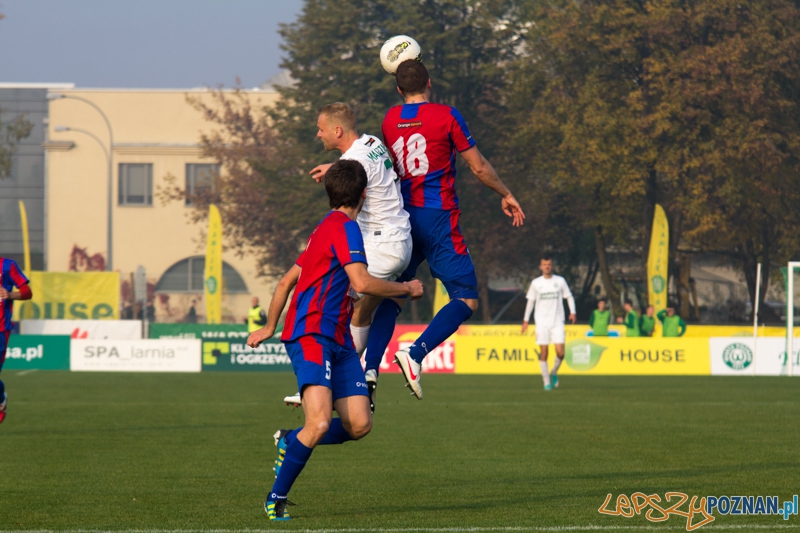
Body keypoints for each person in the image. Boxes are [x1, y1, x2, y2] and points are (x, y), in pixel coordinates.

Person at [246, 160, 423, 520]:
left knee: (359, 424)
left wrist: (268, 326)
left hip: (339, 341)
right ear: (364, 194)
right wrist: (406, 288)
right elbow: (362, 282)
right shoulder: (345, 229)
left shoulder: (323, 229)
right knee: (321, 423)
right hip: (311, 334)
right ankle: (275, 497)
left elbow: (286, 282)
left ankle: (289, 440)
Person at [371, 59, 525, 400]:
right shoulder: (447, 115)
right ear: (430, 81)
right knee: (466, 298)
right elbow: (480, 167)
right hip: (438, 218)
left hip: (402, 220)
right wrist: (506, 193)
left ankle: (368, 368)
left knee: (394, 295)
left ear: (398, 89)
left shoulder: (389, 119)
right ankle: (414, 354)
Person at [293, 102, 412, 410]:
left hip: (381, 245)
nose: (318, 134)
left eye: (321, 128)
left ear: (337, 130)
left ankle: (324, 383)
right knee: (362, 311)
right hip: (399, 237)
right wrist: (333, 168)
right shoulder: (371, 142)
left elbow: (356, 173)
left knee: (338, 306)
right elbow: (365, 167)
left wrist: (335, 170)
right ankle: (364, 374)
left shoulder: (353, 159)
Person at [521, 257, 576, 390]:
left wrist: (573, 312)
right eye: (544, 264)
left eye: (549, 264)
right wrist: (526, 320)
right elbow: (531, 302)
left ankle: (554, 371)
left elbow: (568, 296)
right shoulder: (536, 283)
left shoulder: (560, 281)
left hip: (557, 320)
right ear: (540, 266)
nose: (547, 266)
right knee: (544, 352)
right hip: (541, 322)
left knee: (560, 352)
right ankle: (546, 381)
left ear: (552, 266)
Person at [0, 257, 33, 424]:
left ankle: (1, 399)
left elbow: (27, 292)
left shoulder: (7, 265)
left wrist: (10, 294)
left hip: (0, 329)